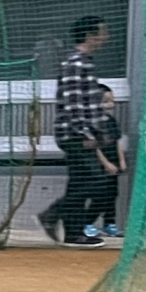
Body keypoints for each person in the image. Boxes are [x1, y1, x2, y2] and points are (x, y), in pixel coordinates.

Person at [40, 14, 110, 246]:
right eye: (102, 32)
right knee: (96, 180)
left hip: (82, 133)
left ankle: (73, 233)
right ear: (90, 35)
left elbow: (89, 104)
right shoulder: (75, 63)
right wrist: (86, 134)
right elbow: (74, 105)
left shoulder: (85, 62)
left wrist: (98, 133)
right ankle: (52, 213)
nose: (105, 38)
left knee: (79, 182)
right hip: (74, 134)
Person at [88, 85, 125, 238]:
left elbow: (117, 141)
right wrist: (105, 163)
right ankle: (88, 222)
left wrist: (121, 160)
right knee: (100, 194)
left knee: (112, 193)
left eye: (112, 101)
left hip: (114, 163)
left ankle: (110, 223)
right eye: (106, 101)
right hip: (98, 165)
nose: (111, 104)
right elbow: (94, 146)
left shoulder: (110, 120)